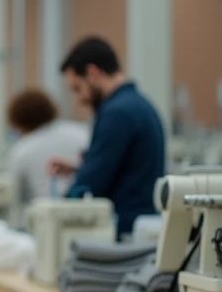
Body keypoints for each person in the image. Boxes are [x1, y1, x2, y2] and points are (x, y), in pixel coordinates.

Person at [49, 37, 165, 236]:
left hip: (124, 230)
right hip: (141, 223)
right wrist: (78, 168)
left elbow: (91, 183)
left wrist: (59, 209)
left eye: (77, 88)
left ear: (92, 72)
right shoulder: (139, 104)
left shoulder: (117, 114)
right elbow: (123, 169)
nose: (79, 99)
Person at [6, 88, 91, 206]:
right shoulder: (82, 133)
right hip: (89, 209)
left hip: (44, 213)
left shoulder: (22, 149)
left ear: (18, 120)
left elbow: (14, 197)